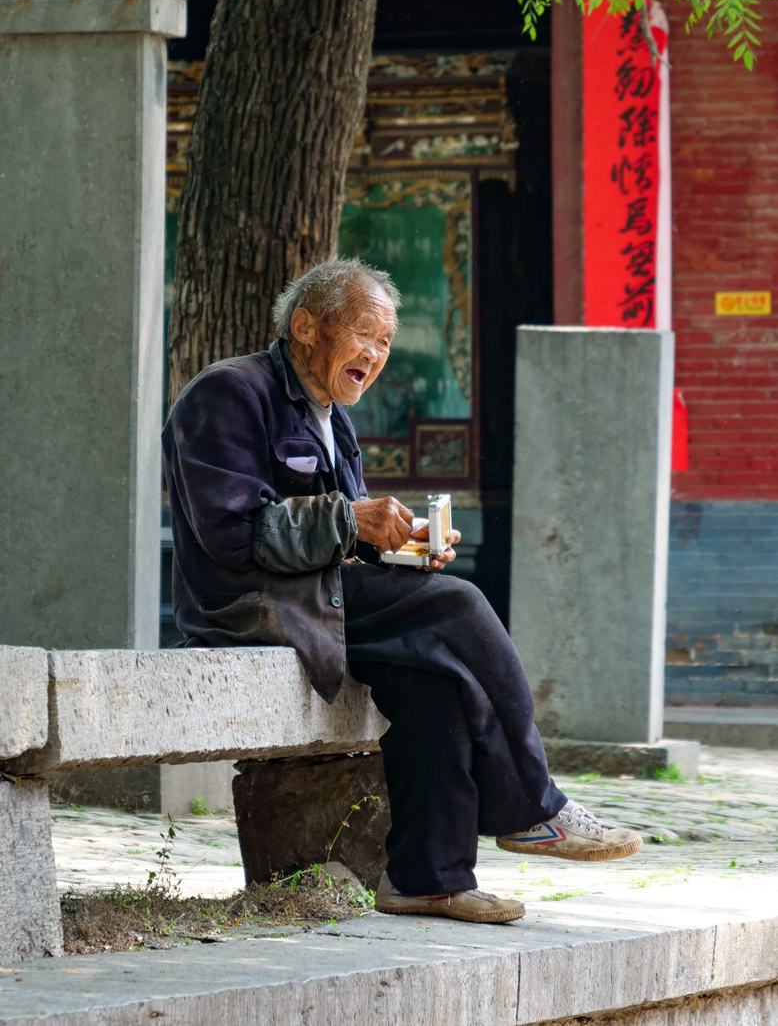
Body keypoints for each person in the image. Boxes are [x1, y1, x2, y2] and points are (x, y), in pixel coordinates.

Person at [162, 257, 642, 925]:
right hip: (251, 609)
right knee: (459, 603)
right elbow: (231, 535)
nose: (376, 353)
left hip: (322, 602)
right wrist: (350, 519)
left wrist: (402, 542)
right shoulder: (228, 393)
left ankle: (428, 879)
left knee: (436, 678)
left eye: (386, 341)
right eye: (364, 334)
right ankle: (534, 804)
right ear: (306, 327)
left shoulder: (333, 417)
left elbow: (342, 537)